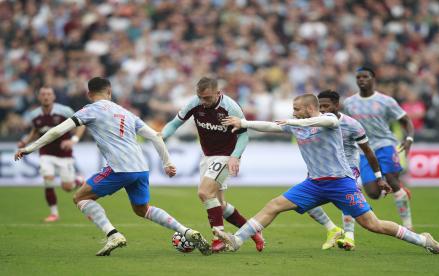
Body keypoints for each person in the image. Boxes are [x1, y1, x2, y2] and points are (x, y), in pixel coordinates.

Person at [217, 93, 439, 255]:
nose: (293, 113)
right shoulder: (296, 124)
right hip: (314, 184)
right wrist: (244, 122)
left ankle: (423, 240)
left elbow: (320, 120)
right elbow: (271, 126)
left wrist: (296, 121)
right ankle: (237, 241)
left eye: (297, 109)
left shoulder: (330, 120)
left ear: (308, 108)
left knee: (372, 225)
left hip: (341, 183)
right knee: (274, 205)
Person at [15, 77, 211, 256]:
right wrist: (167, 162)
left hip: (119, 168)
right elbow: (155, 136)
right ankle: (186, 231)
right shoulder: (127, 113)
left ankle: (112, 234)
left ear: (89, 94)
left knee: (80, 197)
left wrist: (30, 147)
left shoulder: (90, 109)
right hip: (141, 168)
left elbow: (57, 130)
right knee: (142, 209)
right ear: (110, 92)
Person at [162, 77, 265, 252]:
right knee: (219, 204)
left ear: (218, 93)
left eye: (207, 98)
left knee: (204, 192)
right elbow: (174, 124)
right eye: (200, 97)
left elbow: (243, 135)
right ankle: (252, 231)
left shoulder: (230, 107)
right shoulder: (195, 103)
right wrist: (159, 138)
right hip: (208, 157)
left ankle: (219, 237)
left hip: (226, 156)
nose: (203, 101)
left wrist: (235, 156)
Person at [292, 90, 386, 251]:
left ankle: (349, 236)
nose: (323, 110)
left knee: (346, 198)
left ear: (337, 105)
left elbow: (368, 151)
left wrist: (379, 177)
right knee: (301, 202)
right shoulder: (314, 122)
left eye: (326, 106)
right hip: (323, 169)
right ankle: (332, 229)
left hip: (348, 167)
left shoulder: (352, 125)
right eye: (320, 106)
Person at [344, 67, 415, 230]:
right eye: (358, 77)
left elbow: (405, 120)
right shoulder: (349, 103)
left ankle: (408, 225)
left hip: (385, 144)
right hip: (364, 150)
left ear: (373, 79)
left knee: (392, 179)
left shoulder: (386, 101)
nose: (361, 80)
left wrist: (409, 138)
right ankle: (393, 188)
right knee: (373, 193)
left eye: (365, 77)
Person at [18, 87, 85, 222]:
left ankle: (78, 180)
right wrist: (25, 141)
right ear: (39, 97)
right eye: (43, 94)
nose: (46, 97)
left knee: (67, 187)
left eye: (49, 94)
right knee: (48, 179)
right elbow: (36, 131)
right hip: (45, 153)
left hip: (64, 154)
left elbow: (81, 125)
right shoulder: (34, 114)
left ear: (54, 97)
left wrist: (73, 140)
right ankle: (54, 213)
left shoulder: (64, 111)